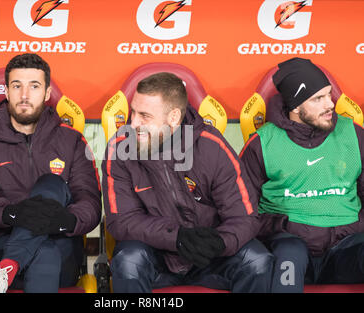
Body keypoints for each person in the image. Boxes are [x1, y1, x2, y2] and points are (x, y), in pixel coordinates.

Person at [102, 72, 273, 293]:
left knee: (258, 261)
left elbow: (245, 216)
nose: (133, 123)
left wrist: (219, 242)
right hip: (155, 255)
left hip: (211, 254)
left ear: (174, 117)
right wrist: (177, 237)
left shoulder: (213, 147)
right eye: (132, 112)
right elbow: (121, 221)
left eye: (144, 116)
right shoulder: (119, 148)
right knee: (128, 261)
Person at [0, 53, 101, 293]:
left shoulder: (72, 140)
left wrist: (64, 221)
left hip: (62, 242)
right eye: (17, 86)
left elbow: (90, 202)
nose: (24, 96)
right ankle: (8, 264)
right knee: (44, 253)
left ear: (46, 94)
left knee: (51, 183)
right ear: (6, 92)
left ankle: (7, 268)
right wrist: (16, 214)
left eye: (34, 86)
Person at [240, 57, 364, 292]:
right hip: (291, 246)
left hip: (346, 246)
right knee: (290, 252)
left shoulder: (354, 134)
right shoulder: (262, 143)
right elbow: (242, 211)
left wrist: (357, 226)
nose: (330, 105)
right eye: (318, 99)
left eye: (329, 95)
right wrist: (283, 226)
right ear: (295, 106)